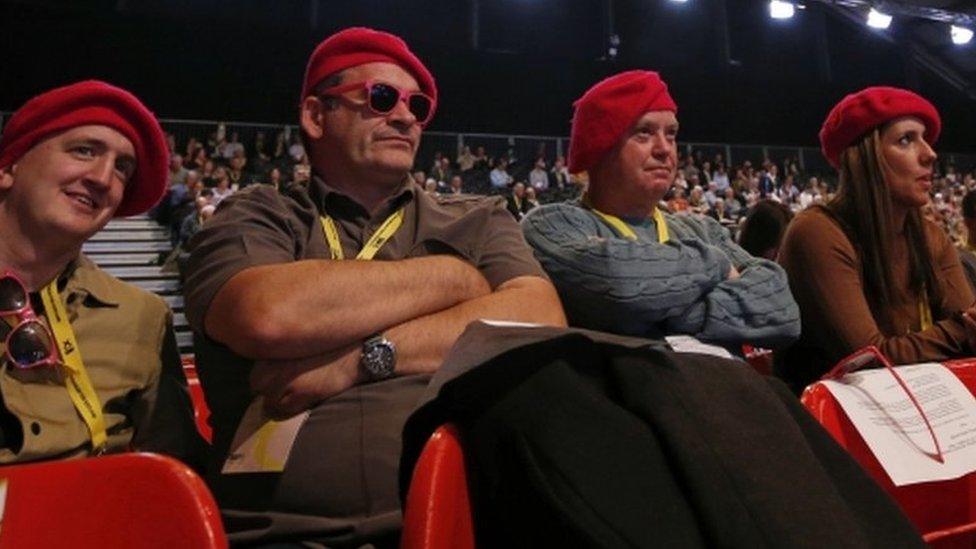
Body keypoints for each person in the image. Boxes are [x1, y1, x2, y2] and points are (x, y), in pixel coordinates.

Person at [182, 27, 565, 546]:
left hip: (465, 523)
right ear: (316, 115)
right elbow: (267, 314)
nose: (406, 117)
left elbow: (540, 318)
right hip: (281, 535)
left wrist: (365, 357)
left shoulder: (475, 218)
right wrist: (457, 278)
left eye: (419, 106)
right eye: (382, 98)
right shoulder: (258, 214)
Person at [0, 80, 203, 466]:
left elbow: (175, 472)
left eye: (122, 168)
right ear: (9, 166)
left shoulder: (141, 316)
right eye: (84, 150)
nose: (102, 178)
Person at [522, 70, 799, 351]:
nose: (665, 149)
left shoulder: (702, 228)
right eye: (644, 133)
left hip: (728, 389)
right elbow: (619, 282)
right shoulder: (552, 224)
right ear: (598, 148)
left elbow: (782, 309)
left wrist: (657, 313)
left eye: (671, 134)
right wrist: (717, 264)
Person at [776, 86, 976, 393]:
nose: (930, 153)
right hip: (832, 423)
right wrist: (964, 327)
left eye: (925, 138)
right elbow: (868, 358)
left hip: (919, 404)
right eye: (906, 139)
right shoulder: (817, 232)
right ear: (864, 159)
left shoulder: (929, 234)